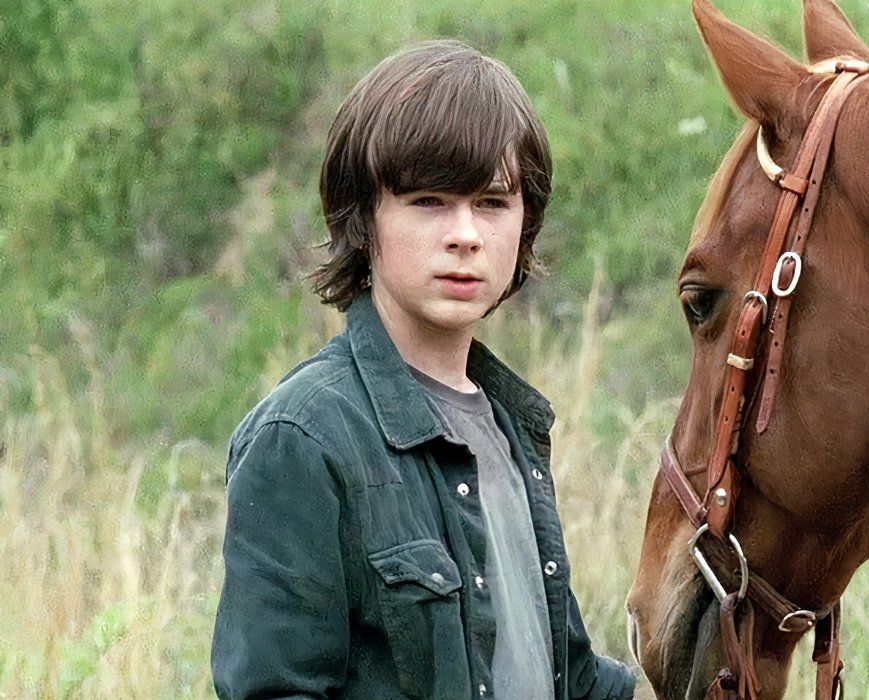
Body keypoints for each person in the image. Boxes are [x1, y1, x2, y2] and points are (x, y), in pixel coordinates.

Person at [211, 39, 635, 699]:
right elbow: (275, 688)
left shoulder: (512, 427)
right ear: (362, 221)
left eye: (493, 203)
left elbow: (564, 677)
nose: (465, 233)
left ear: (525, 225)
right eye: (429, 201)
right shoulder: (303, 438)